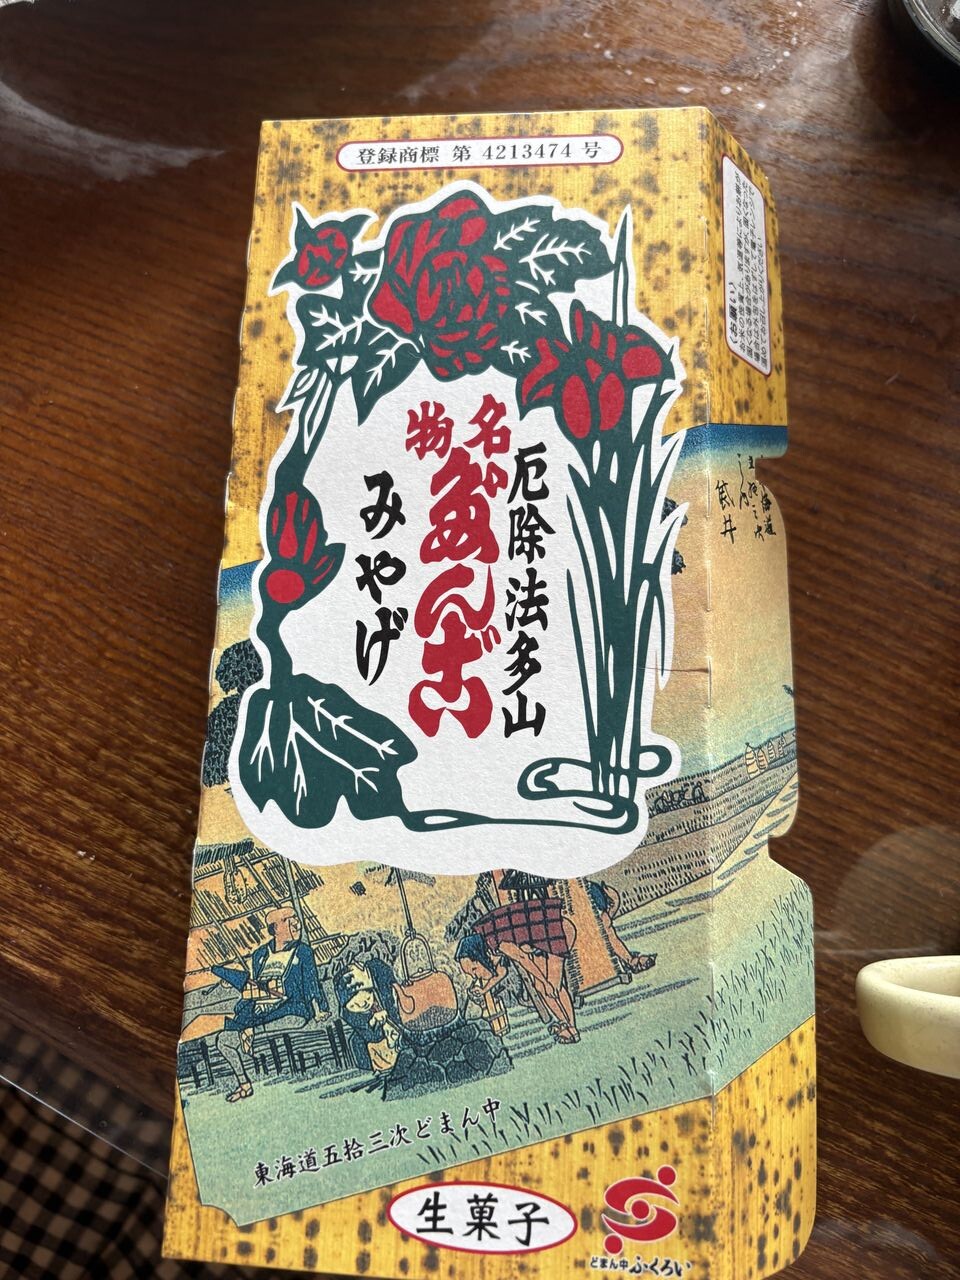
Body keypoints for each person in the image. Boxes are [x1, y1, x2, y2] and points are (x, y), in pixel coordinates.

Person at [211, 904, 329, 1103]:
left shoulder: (303, 952)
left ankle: (249, 1031)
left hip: (291, 1010)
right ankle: (244, 1084)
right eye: (288, 920)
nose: (296, 923)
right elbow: (256, 987)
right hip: (260, 1013)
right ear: (275, 928)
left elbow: (311, 983)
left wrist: (318, 1010)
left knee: (281, 1021)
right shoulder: (260, 955)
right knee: (222, 1040)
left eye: (295, 918)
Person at [333, 957, 403, 1076]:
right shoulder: (350, 1016)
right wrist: (372, 1022)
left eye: (368, 995)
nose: (364, 1003)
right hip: (374, 1048)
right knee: (357, 1042)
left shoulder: (382, 997)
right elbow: (367, 1033)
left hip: (394, 1039)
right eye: (356, 1004)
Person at [585, 880, 657, 974]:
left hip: (598, 930)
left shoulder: (624, 960)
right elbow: (613, 939)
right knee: (605, 903)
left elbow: (611, 940)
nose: (639, 962)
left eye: (640, 964)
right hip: (602, 924)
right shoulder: (627, 957)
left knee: (603, 903)